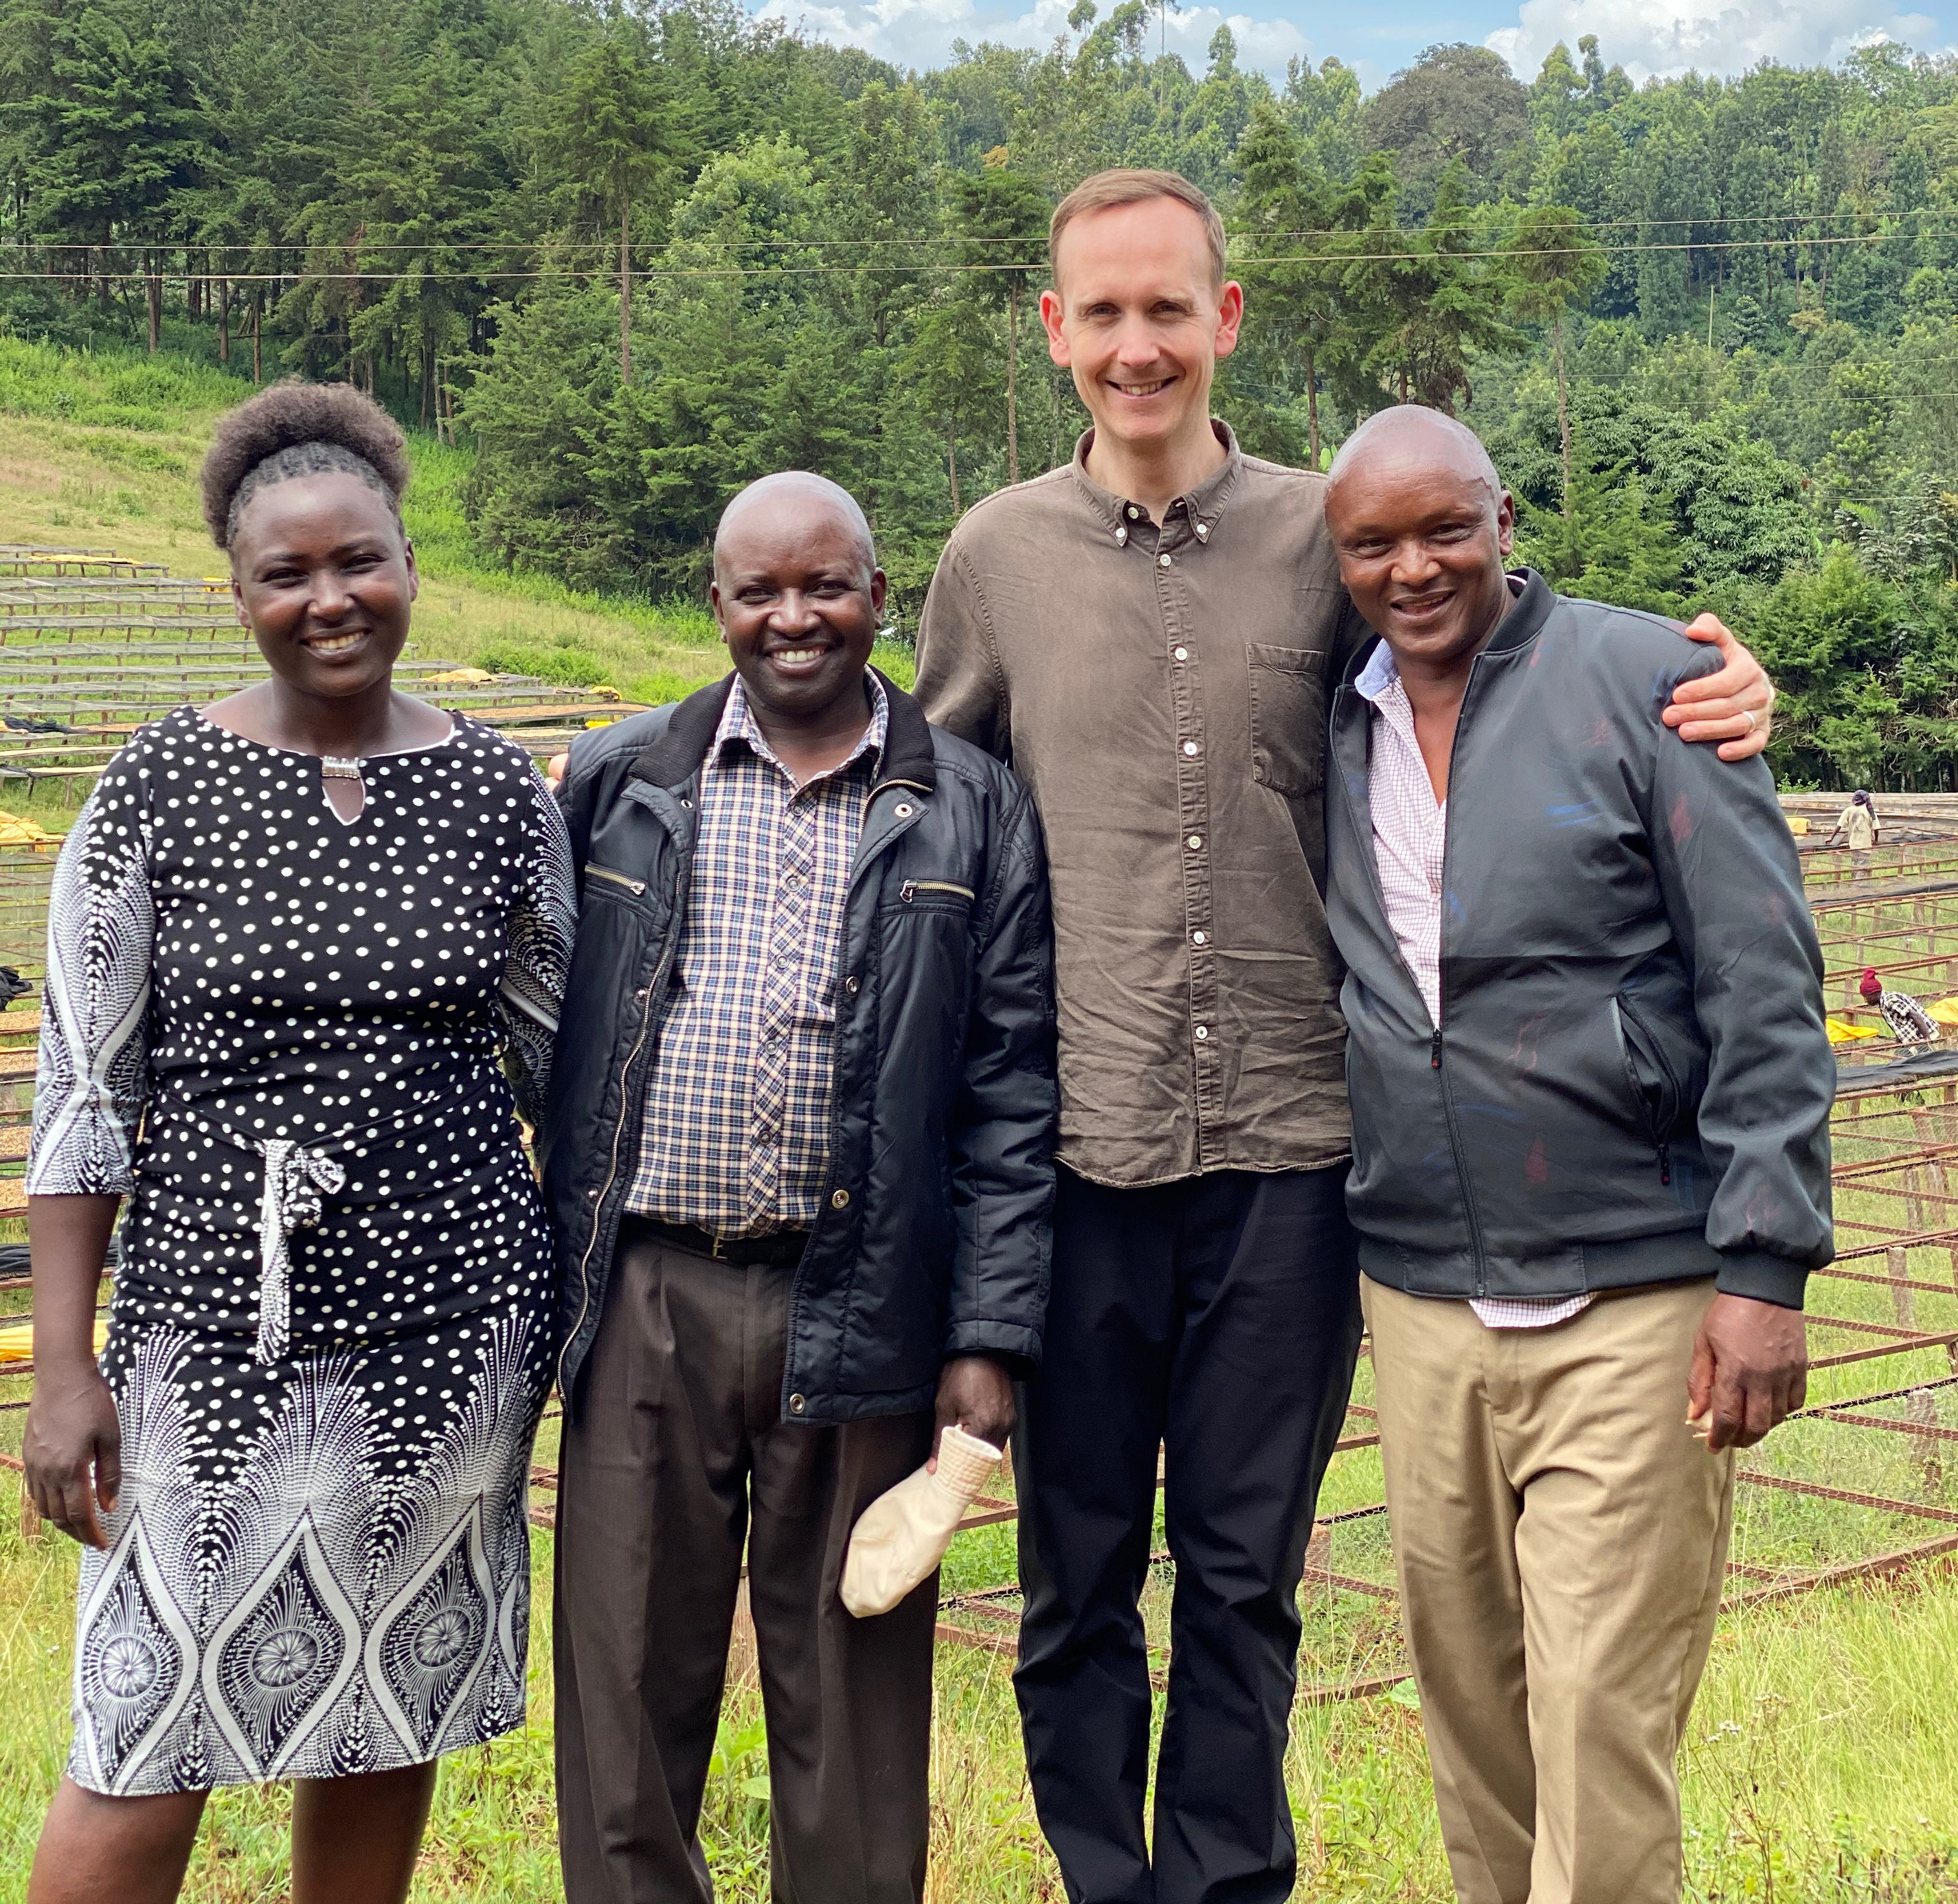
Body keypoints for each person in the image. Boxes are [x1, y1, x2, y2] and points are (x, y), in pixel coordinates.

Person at [910, 164, 1781, 1904]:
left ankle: (1229, 1887)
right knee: (1078, 1582)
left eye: (1172, 310)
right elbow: (933, 818)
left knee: (1246, 1578)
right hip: (1082, 1151)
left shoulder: (1332, 535)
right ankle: (1107, 1881)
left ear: (1226, 321)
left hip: (1299, 1170)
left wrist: (1730, 692)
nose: (1139, 347)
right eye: (1105, 315)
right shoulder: (994, 558)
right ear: (1056, 331)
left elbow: (1502, 637)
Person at [23, 382, 575, 1904]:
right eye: (289, 572)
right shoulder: (158, 786)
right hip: (209, 1349)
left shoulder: (495, 793)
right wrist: (66, 1368)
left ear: (410, 559)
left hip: (450, 1343)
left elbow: (553, 1059)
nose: (332, 598)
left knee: (381, 1719)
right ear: (240, 590)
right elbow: (81, 1093)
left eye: (362, 561)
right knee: (143, 1735)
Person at [1320, 405, 1834, 1904]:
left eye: (1446, 530)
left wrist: (1766, 1262)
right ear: (1336, 558)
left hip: (1638, 1293)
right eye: (1375, 543)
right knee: (1473, 1718)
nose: (1415, 569)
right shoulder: (1325, 711)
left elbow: (1763, 984)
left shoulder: (1645, 685)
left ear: (1503, 521)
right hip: (1420, 1293)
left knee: (1599, 1713)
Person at [542, 471, 1057, 1904]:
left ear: (879, 597)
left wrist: (987, 1340)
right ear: (714, 606)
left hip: (868, 1299)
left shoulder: (969, 807)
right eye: (758, 591)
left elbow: (1014, 1091)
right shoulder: (623, 779)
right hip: (650, 1287)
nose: (794, 617)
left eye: (825, 585)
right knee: (627, 1704)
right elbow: (545, 1022)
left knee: (852, 1705)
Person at [1828, 788, 1880, 883]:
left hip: (1853, 844)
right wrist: (1876, 840)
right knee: (1861, 866)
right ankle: (1857, 886)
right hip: (1865, 845)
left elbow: (1839, 825)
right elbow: (1876, 828)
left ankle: (1854, 884)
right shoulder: (1870, 811)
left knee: (1855, 864)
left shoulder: (1849, 810)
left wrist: (1831, 837)